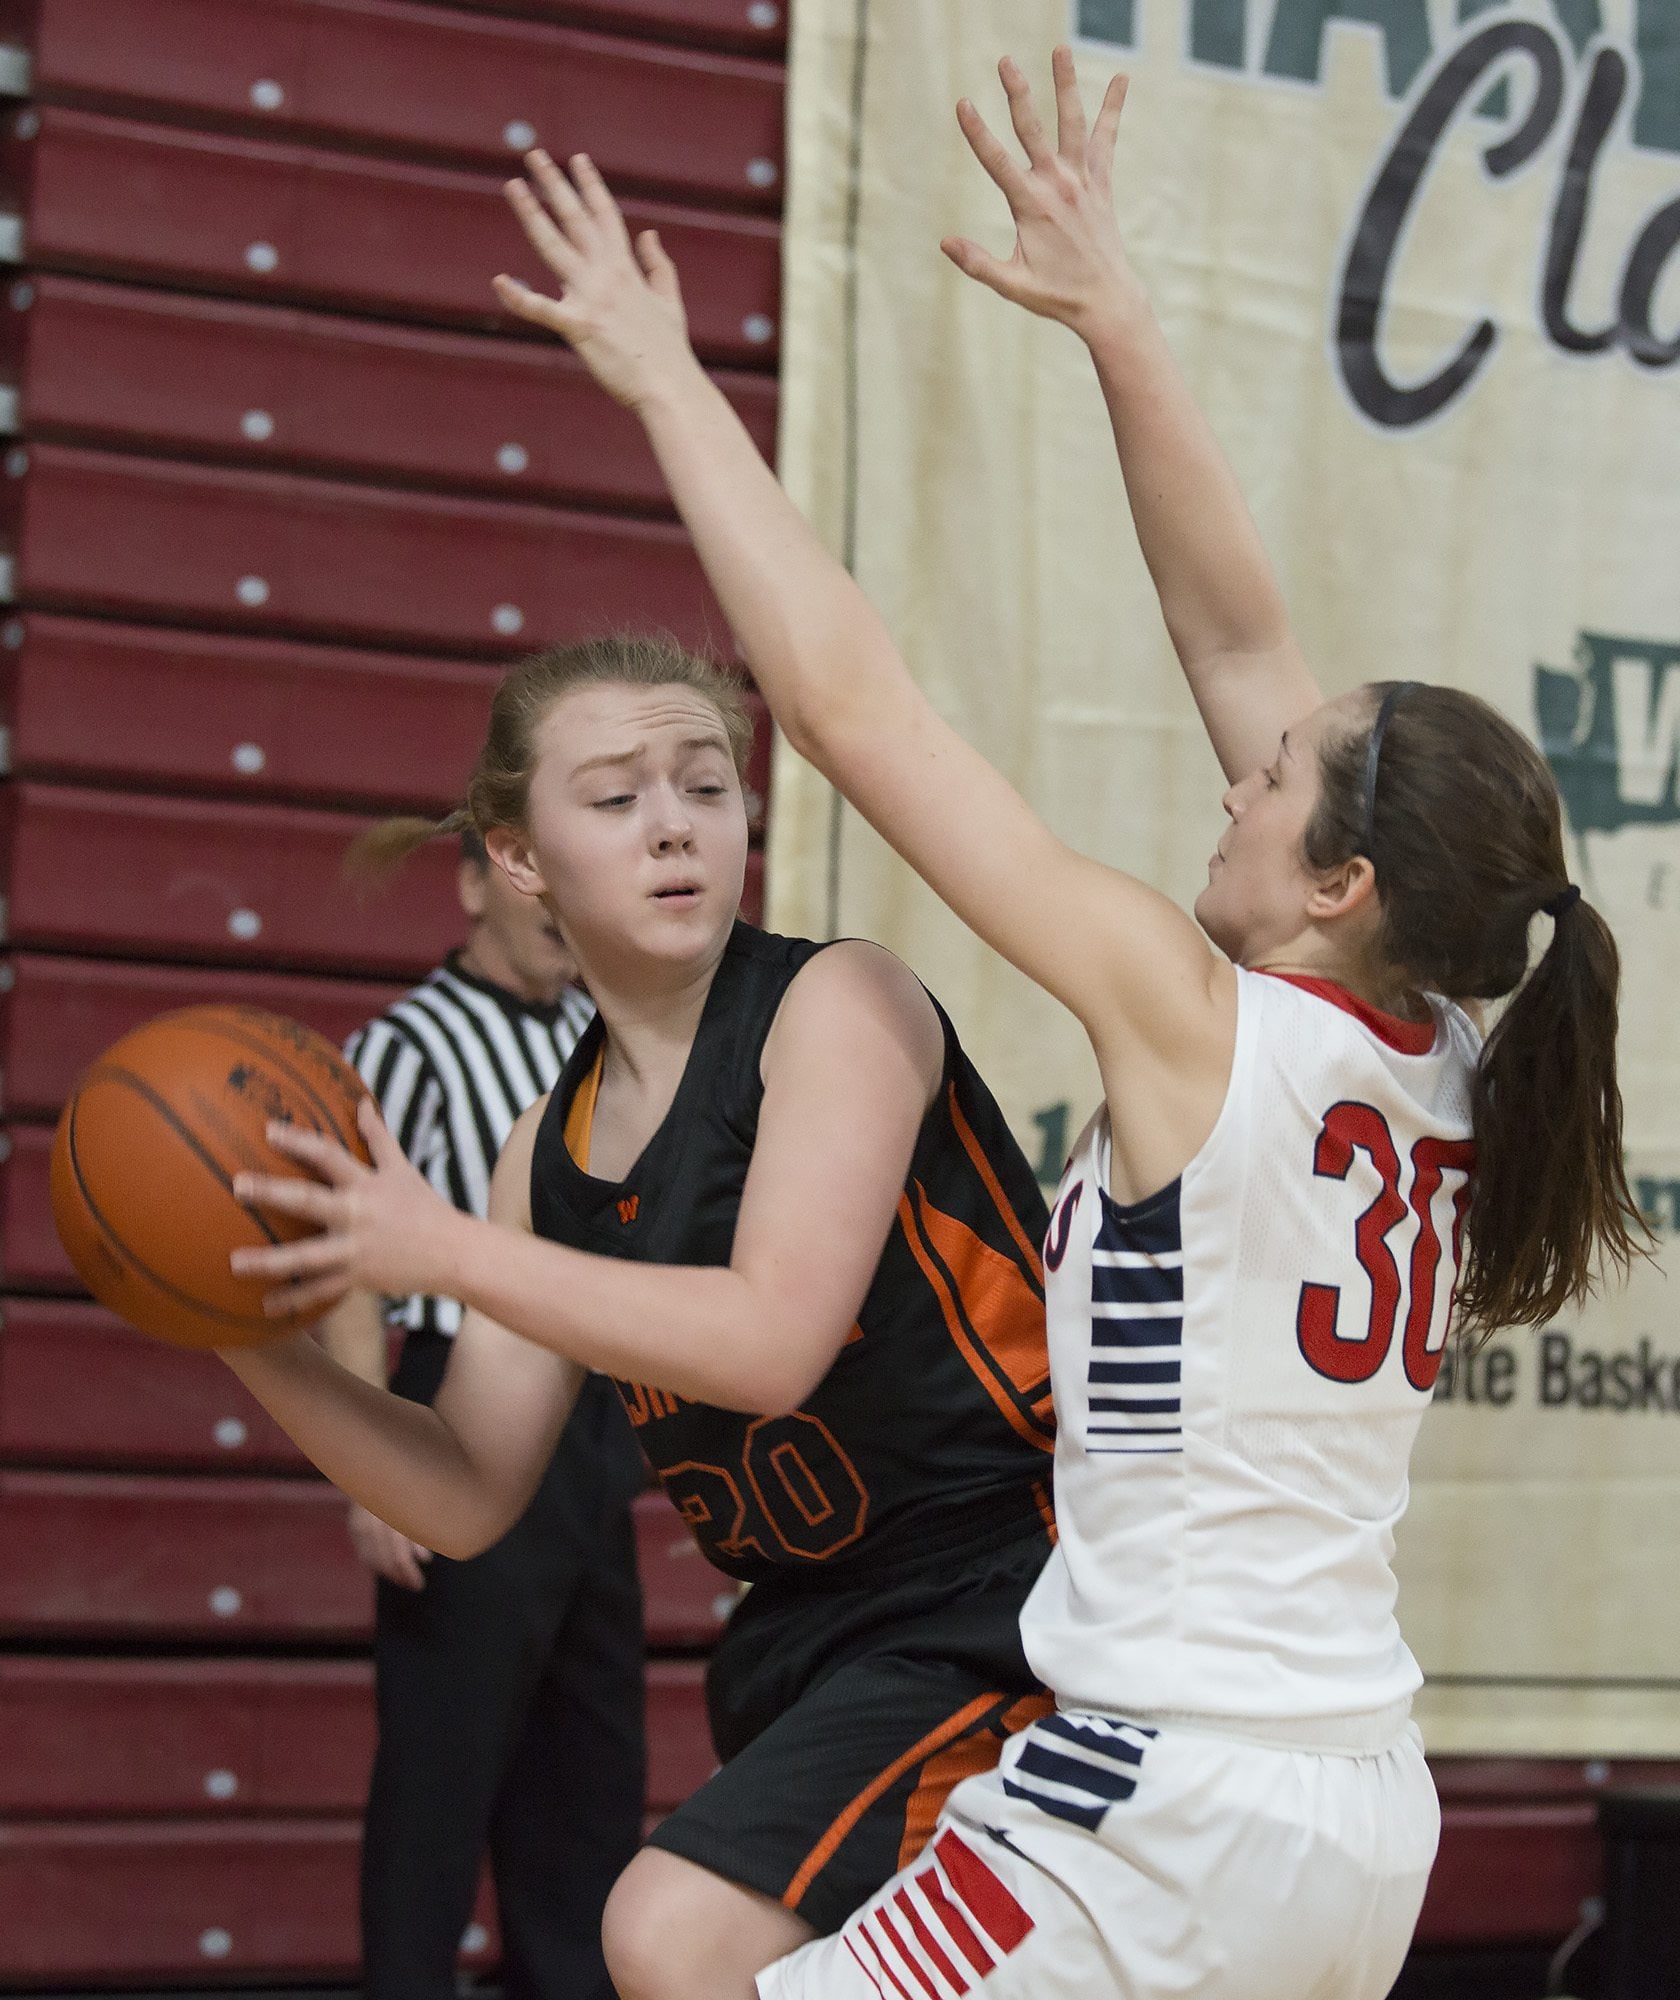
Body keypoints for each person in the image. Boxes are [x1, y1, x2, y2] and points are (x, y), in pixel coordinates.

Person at [465, 51, 1649, 2000]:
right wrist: (1119, 322)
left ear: (1338, 882)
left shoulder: (1197, 1018)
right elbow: (1237, 635)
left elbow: (856, 716)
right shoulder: (1441, 1039)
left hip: (1149, 1800)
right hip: (1359, 1814)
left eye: (1275, 787)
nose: (1234, 780)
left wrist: (673, 386)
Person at [216, 630, 1059, 2000]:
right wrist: (245, 1339)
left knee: (669, 1934)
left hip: (1011, 1599)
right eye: (615, 798)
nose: (672, 826)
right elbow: (466, 1492)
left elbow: (774, 1342)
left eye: (706, 787)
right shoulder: (544, 1145)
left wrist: (443, 1248)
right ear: (518, 854)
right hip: (807, 1635)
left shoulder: (836, 1002)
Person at [316, 829, 643, 2000]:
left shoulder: (593, 1040)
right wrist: (367, 1473)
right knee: (444, 1763)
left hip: (590, 1420)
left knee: (590, 1769)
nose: (558, 905)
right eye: (525, 880)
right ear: (468, 886)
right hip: (456, 1398)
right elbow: (350, 1270)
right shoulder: (400, 1048)